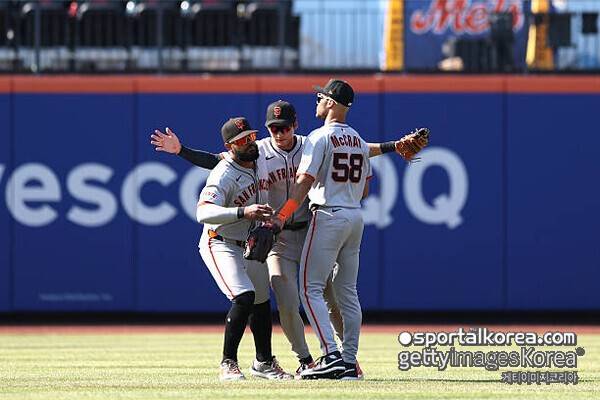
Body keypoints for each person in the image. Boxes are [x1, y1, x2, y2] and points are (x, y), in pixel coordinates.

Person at [151, 100, 403, 379]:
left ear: (295, 125)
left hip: (309, 230)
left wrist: (393, 146)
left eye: (284, 127)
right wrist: (181, 151)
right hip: (274, 236)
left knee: (330, 296)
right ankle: (305, 360)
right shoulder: (257, 152)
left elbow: (360, 148)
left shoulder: (309, 144)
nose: (279, 133)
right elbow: (216, 161)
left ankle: (346, 359)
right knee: (287, 300)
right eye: (273, 128)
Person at [273, 79, 370, 380]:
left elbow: (304, 182)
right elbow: (366, 189)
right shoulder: (359, 139)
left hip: (328, 215)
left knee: (310, 287)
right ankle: (349, 362)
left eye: (320, 97)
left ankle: (331, 355)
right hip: (355, 215)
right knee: (348, 293)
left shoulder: (319, 136)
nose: (316, 102)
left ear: (330, 103)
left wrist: (282, 215)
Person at [195, 116, 293, 381]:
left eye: (251, 137)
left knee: (261, 301)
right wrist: (243, 211)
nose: (250, 143)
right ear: (230, 147)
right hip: (220, 241)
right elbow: (202, 212)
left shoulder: (260, 158)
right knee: (244, 296)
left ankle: (264, 363)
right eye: (242, 141)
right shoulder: (223, 174)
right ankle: (228, 363)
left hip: (249, 243)